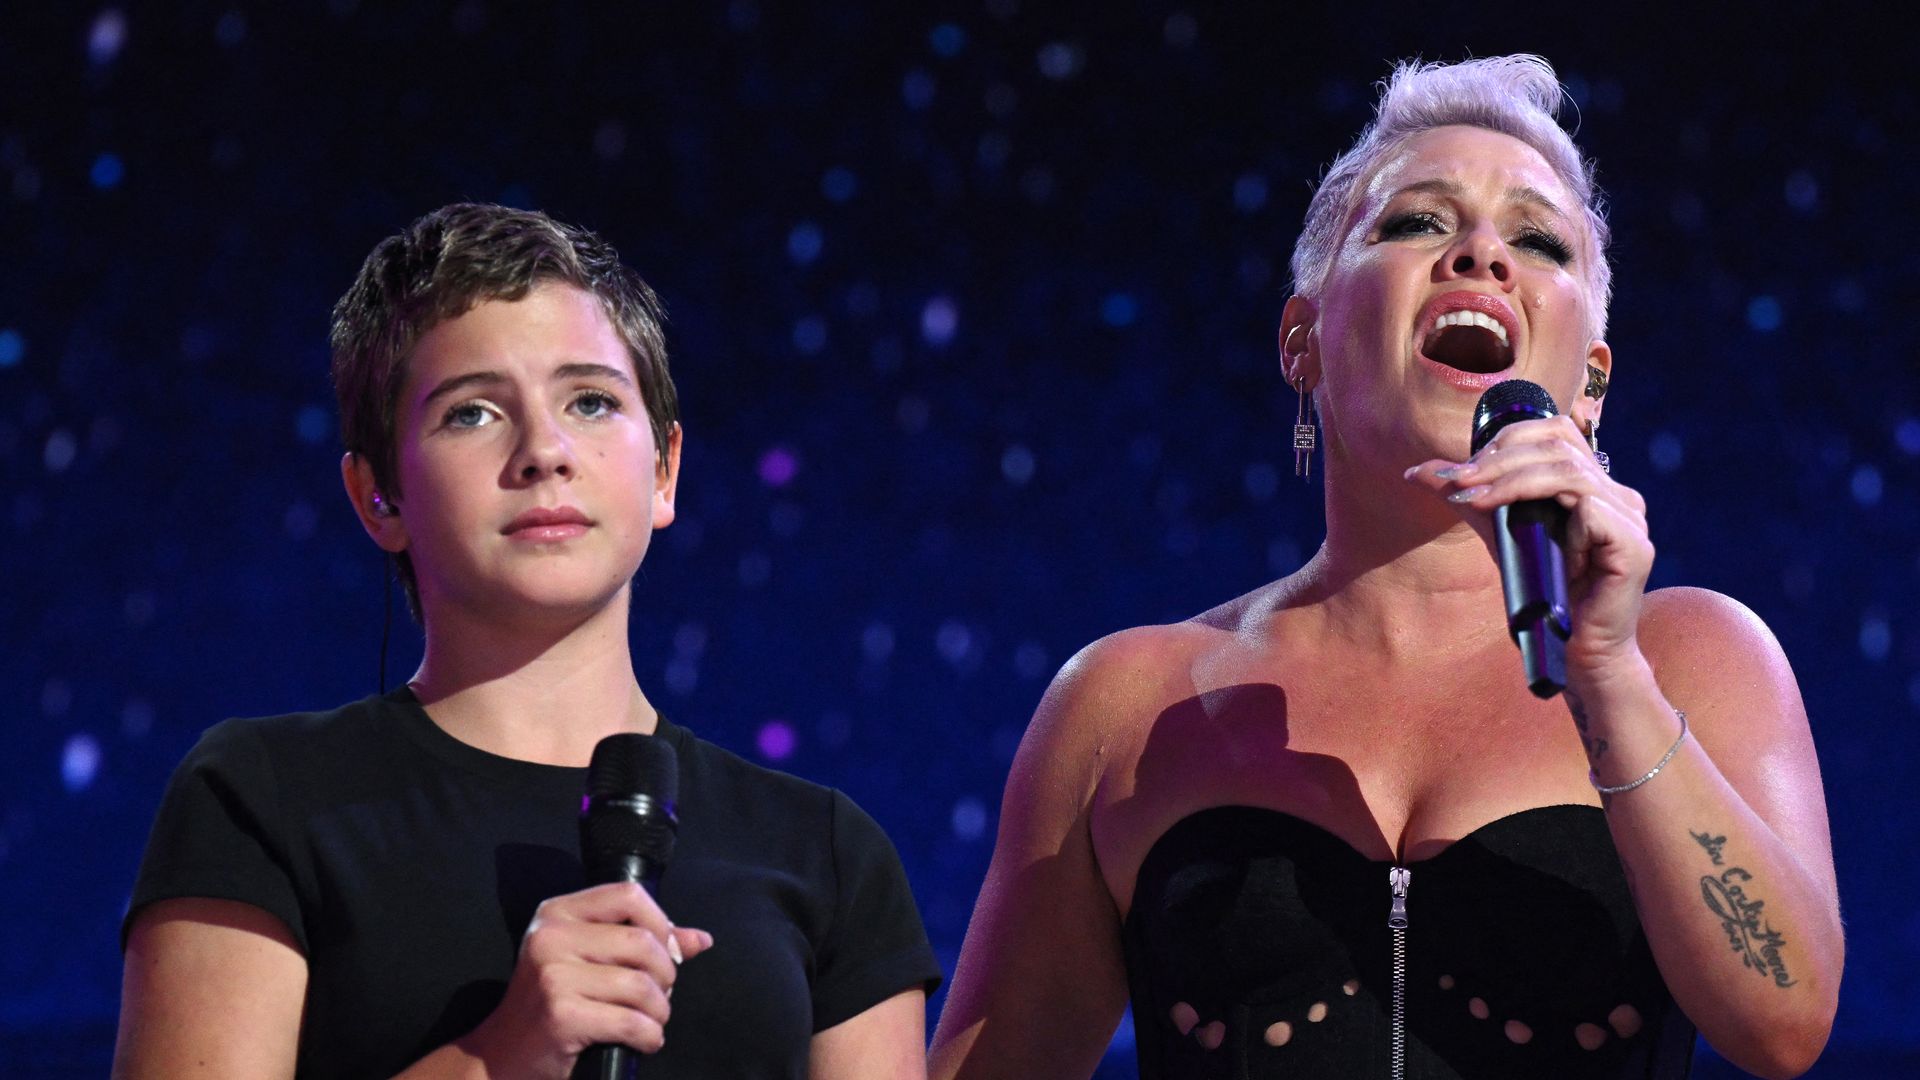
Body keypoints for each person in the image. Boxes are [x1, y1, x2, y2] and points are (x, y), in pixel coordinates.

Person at [930, 55, 1841, 1080]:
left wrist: (1608, 673)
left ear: (1590, 385)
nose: (1483, 256)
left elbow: (1784, 1024)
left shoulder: (1695, 657)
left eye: (1537, 241)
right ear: (1302, 341)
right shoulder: (1121, 705)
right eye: (1415, 222)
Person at [114, 203, 940, 1080]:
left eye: (590, 401)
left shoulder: (826, 854)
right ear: (377, 498)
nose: (544, 450)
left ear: (663, 471)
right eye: (471, 413)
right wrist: (499, 1054)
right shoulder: (262, 800)